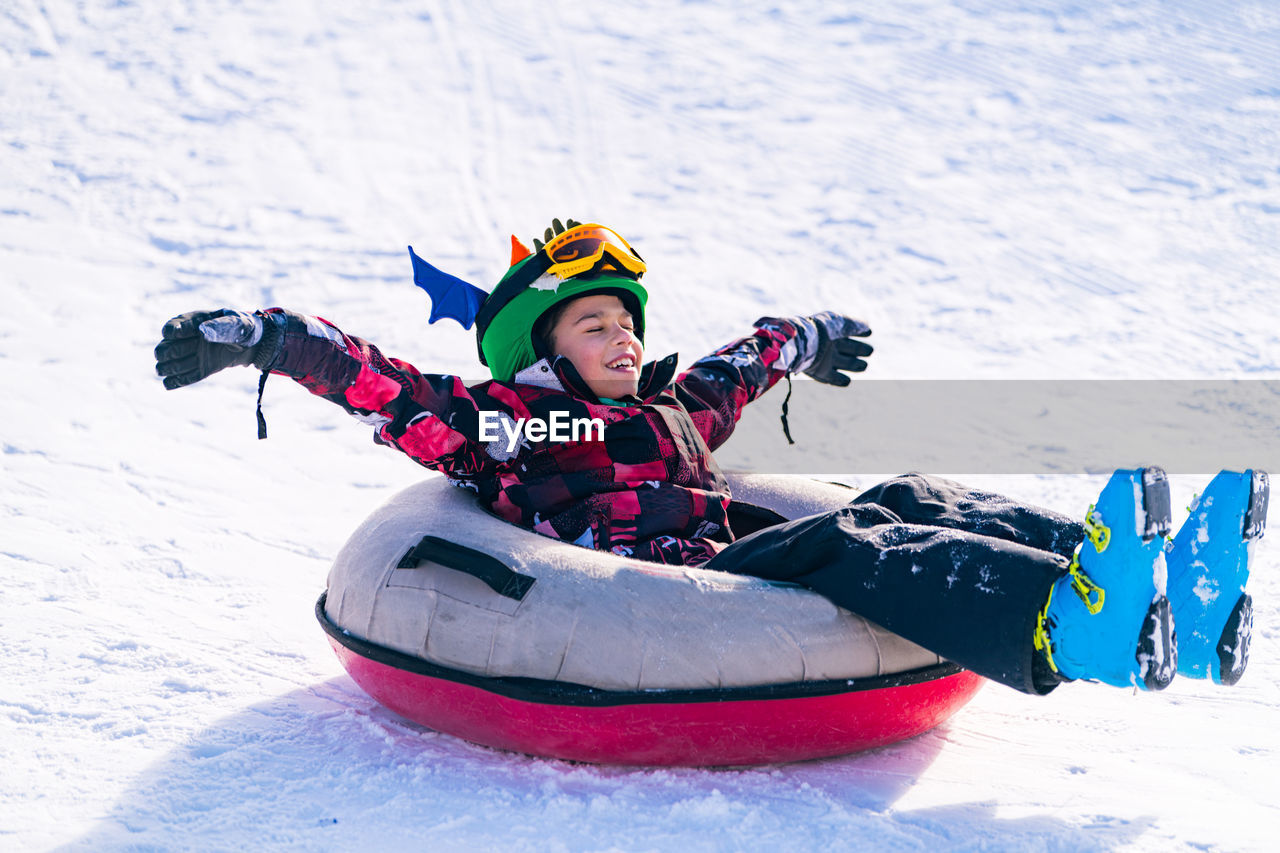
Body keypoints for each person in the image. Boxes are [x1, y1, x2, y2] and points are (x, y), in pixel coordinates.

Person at [154, 218, 1267, 695]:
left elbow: (742, 361)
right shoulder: (504, 424)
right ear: (541, 347)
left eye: (626, 321)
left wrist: (809, 340)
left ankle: (1133, 581)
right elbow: (377, 381)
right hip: (672, 583)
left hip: (738, 548)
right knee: (854, 537)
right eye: (593, 325)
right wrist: (265, 338)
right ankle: (1073, 629)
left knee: (905, 494)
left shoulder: (675, 408)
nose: (621, 338)